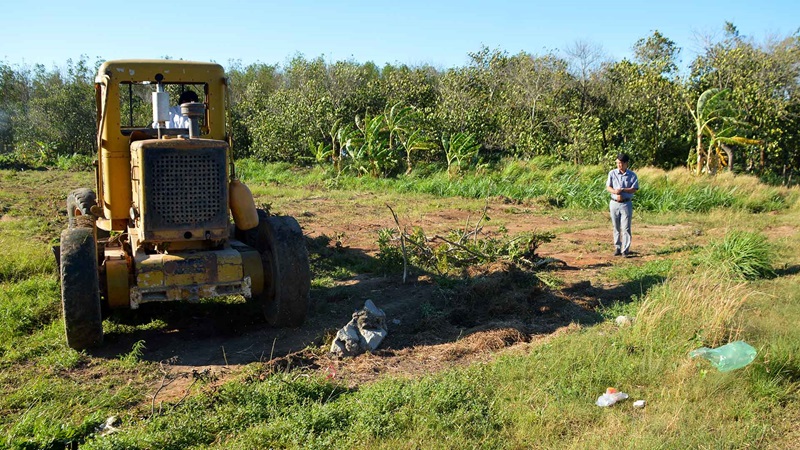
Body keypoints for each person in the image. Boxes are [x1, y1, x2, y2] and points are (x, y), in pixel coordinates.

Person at [606, 153, 639, 257]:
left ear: (625, 163)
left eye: (620, 163)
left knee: (626, 228)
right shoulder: (612, 173)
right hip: (614, 203)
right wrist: (615, 192)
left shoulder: (632, 175)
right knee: (616, 226)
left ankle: (625, 249)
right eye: (617, 163)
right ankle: (617, 247)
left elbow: (634, 188)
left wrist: (623, 190)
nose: (618, 165)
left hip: (626, 203)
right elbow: (608, 187)